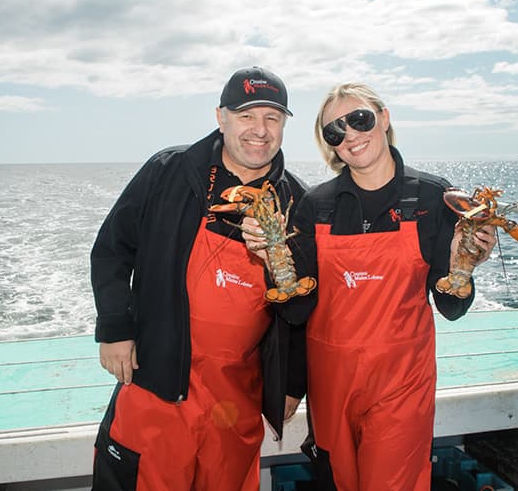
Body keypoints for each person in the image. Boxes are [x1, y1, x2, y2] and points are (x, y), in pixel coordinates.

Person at [89, 66, 312, 491]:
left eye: (272, 117)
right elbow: (113, 248)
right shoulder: (169, 171)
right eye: (246, 115)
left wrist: (292, 384)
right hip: (155, 383)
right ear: (220, 117)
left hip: (236, 399)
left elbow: (304, 308)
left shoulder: (297, 203)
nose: (259, 130)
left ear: (284, 125)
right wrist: (115, 328)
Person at [283, 82, 496, 491]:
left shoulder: (435, 198)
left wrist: (464, 263)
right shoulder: (315, 205)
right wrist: (274, 265)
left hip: (401, 385)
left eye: (359, 119)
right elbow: (296, 310)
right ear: (331, 146)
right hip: (331, 387)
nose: (350, 135)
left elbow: (450, 306)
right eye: (334, 131)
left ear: (383, 118)